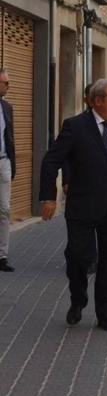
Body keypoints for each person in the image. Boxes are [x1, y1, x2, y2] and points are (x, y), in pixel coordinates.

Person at [39, 79, 107, 330]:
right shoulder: (75, 126)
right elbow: (51, 161)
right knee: (79, 258)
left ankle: (106, 314)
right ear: (97, 101)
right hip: (83, 206)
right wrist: (49, 197)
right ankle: (78, 299)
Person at [0, 69, 16, 272]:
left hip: (4, 162)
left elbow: (10, 137)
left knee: (4, 209)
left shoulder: (7, 107)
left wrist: (12, 165)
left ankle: (2, 255)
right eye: (5, 83)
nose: (8, 86)